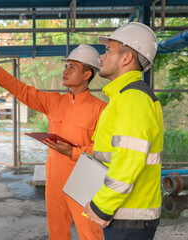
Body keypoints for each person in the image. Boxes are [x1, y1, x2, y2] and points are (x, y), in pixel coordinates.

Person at [0, 45, 106, 240]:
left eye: (72, 67)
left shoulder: (100, 109)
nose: (65, 71)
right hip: (54, 179)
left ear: (87, 74)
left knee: (90, 233)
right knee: (57, 232)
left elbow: (104, 149)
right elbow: (23, 91)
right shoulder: (54, 101)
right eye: (66, 66)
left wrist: (73, 152)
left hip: (84, 179)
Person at [83, 22, 164, 240]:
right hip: (126, 216)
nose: (101, 57)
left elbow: (127, 161)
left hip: (129, 218)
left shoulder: (133, 98)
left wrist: (101, 206)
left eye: (108, 50)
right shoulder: (124, 97)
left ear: (127, 58)